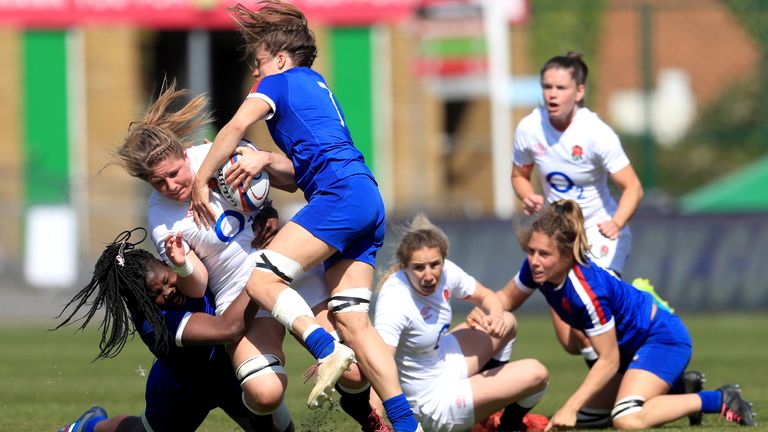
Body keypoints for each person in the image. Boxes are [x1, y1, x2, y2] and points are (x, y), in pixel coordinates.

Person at [189, 1, 420, 431]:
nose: (256, 76)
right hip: (365, 195)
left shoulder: (277, 85)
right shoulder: (315, 84)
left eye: (259, 65)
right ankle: (408, 426)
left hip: (338, 196)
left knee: (260, 279)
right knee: (353, 322)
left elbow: (233, 128)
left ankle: (324, 349)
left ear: (279, 59)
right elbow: (298, 177)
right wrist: (263, 161)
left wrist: (202, 180)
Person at [116, 84, 389, 432]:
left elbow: (292, 181)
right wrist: (183, 263)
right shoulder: (161, 218)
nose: (171, 185)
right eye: (159, 182)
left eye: (174, 173)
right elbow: (197, 286)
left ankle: (368, 417)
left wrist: (266, 172)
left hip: (289, 265)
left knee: (353, 371)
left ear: (186, 154)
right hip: (238, 292)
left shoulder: (221, 154)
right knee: (264, 392)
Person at [495, 199, 756, 430]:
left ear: (566, 255)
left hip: (661, 339)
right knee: (590, 419)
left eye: (544, 254)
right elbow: (505, 299)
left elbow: (608, 359)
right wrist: (482, 312)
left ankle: (720, 398)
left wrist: (570, 406)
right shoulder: (537, 268)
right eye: (531, 251)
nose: (534, 260)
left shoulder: (586, 292)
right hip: (629, 351)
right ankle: (679, 388)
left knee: (626, 417)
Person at [54, 228, 290, 432]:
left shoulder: (186, 261)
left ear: (164, 264)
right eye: (155, 294)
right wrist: (263, 275)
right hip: (184, 391)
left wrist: (265, 214)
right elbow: (229, 328)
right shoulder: (154, 324)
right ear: (142, 302)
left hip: (228, 368)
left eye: (166, 280)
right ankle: (90, 426)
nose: (168, 292)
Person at [373, 214, 549, 432]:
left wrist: (493, 316)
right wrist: (375, 420)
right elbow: (378, 362)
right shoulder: (396, 298)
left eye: (434, 265)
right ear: (404, 266)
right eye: (419, 268)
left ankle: (495, 420)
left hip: (443, 361)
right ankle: (506, 425)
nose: (429, 275)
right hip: (432, 403)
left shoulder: (445, 271)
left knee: (507, 320)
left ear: (442, 260)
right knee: (537, 373)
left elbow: (487, 296)